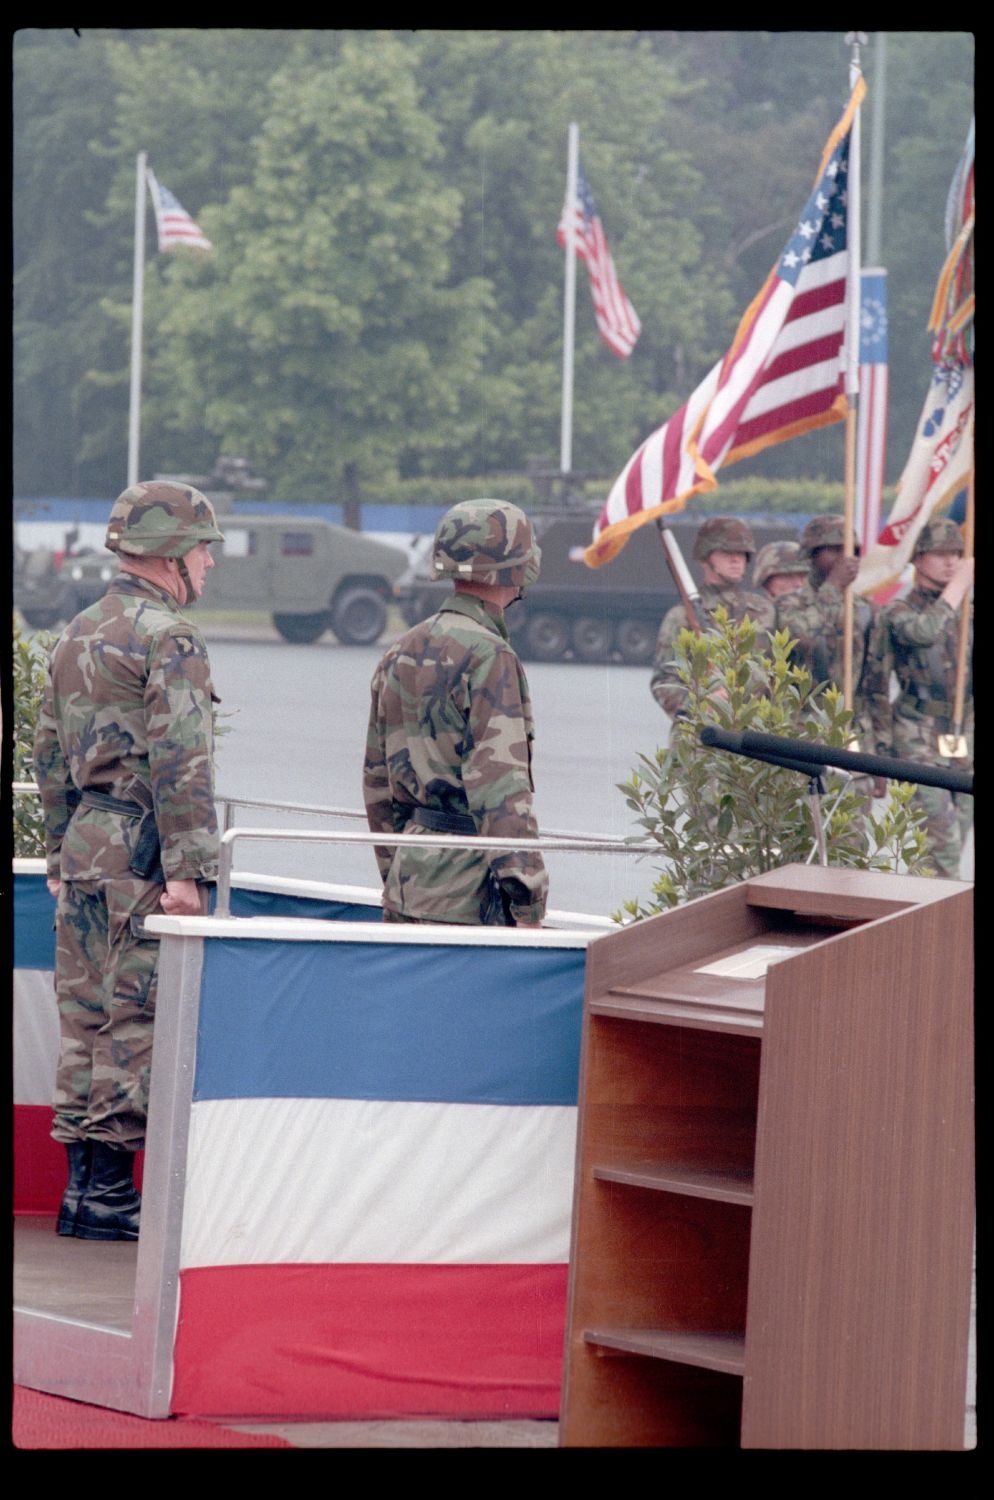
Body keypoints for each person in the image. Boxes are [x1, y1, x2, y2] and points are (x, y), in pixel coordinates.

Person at [33, 481, 224, 1241]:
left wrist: (55, 850)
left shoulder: (78, 629)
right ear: (172, 554)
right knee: (133, 1020)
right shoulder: (169, 636)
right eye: (204, 549)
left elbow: (48, 752)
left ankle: (83, 1195)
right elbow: (183, 760)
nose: (211, 564)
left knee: (84, 1020)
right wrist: (188, 871)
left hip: (85, 843)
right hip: (141, 850)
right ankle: (110, 1195)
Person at [363, 498, 548, 927]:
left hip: (409, 882)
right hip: (469, 893)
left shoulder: (401, 648)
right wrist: (527, 902)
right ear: (517, 569)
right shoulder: (491, 656)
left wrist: (398, 870)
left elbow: (377, 781)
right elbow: (501, 790)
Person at [864, 517, 974, 877]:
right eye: (940, 553)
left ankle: (937, 908)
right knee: (941, 842)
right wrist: (956, 589)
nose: (951, 562)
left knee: (957, 834)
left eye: (956, 554)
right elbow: (922, 634)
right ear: (918, 558)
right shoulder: (898, 611)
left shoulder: (965, 612)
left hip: (959, 735)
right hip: (916, 736)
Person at [776, 514, 886, 796]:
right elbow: (806, 639)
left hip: (855, 740)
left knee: (852, 837)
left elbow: (876, 688)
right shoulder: (788, 606)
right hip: (802, 737)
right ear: (812, 555)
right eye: (834, 550)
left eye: (851, 551)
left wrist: (881, 759)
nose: (844, 559)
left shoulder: (867, 612)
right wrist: (833, 589)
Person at [650, 516, 775, 719]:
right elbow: (663, 681)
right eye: (727, 552)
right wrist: (699, 703)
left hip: (753, 730)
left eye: (742, 554)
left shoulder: (764, 610)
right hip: (701, 736)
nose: (736, 559)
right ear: (705, 557)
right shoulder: (681, 616)